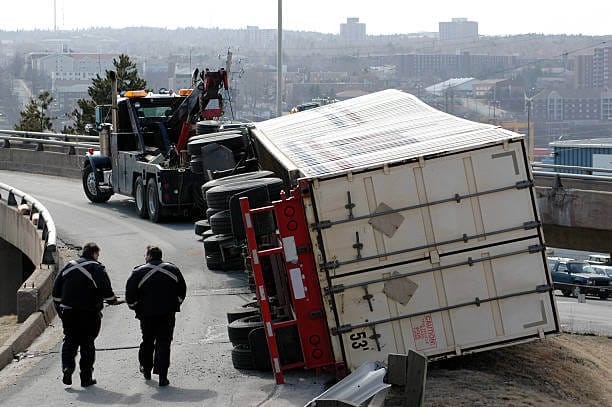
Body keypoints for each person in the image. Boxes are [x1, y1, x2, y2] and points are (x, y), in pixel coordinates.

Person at [52, 242, 123, 387]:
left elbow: (56, 293)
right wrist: (113, 301)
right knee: (87, 343)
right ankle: (86, 378)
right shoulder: (96, 267)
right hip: (89, 313)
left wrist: (61, 311)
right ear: (95, 253)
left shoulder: (68, 266)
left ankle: (67, 367)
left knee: (69, 340)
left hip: (68, 311)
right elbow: (105, 289)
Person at [125, 245, 186, 387]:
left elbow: (130, 295)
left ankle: (146, 368)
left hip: (146, 315)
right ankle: (163, 376)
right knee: (164, 343)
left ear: (149, 256)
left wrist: (135, 308)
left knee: (147, 341)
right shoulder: (173, 269)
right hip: (167, 314)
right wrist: (174, 305)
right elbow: (182, 290)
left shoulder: (138, 272)